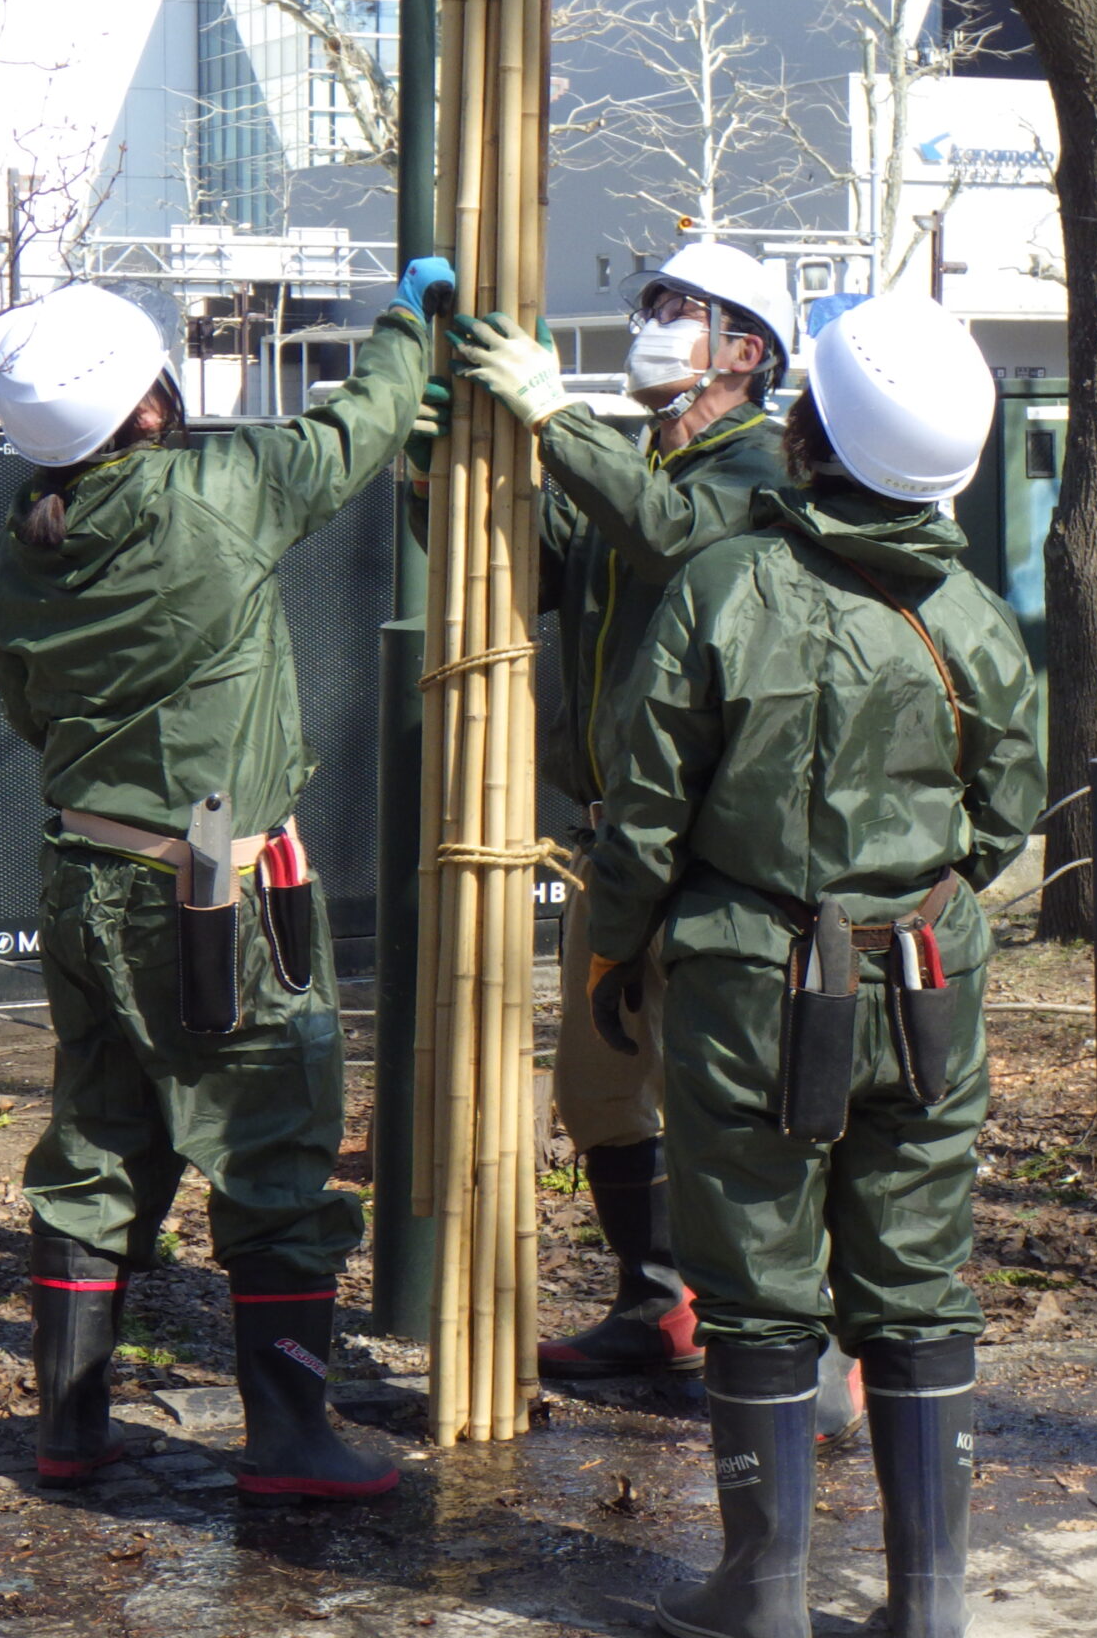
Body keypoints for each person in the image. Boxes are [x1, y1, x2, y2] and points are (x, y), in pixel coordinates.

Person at [579, 292, 1045, 1638]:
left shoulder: (723, 591)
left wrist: (621, 951)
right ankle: (932, 1600)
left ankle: (765, 1588)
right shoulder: (971, 617)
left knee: (757, 1270)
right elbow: (1005, 811)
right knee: (917, 1267)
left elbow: (644, 811)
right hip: (926, 975)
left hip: (743, 976)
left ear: (806, 431)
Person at [0, 266, 446, 1501]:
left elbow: (31, 716)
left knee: (97, 1142)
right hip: (218, 894)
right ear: (145, 408)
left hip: (84, 878)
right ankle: (291, 1437)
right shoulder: (216, 500)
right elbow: (362, 426)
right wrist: (410, 323)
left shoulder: (22, 549)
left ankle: (69, 1430)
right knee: (272, 1155)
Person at [428, 243, 796, 1384]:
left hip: (709, 845)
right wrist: (432, 452)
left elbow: (677, 545)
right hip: (605, 836)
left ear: (744, 352)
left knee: (716, 1092)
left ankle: (771, 1331)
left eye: (679, 309)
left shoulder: (763, 472)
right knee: (599, 1089)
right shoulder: (633, 459)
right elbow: (530, 571)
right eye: (647, 303)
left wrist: (553, 419)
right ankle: (656, 1303)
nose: (651, 321)